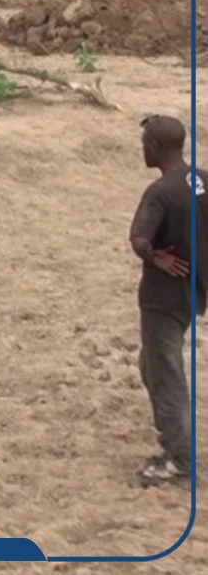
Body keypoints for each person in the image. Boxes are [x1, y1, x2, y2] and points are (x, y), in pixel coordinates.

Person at [127, 114, 204, 486]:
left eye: (145, 144)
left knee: (165, 371)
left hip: (164, 296)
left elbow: (139, 239)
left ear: (156, 147)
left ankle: (179, 457)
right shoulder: (202, 180)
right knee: (151, 363)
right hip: (194, 292)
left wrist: (154, 255)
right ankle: (176, 443)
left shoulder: (159, 193)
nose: (142, 149)